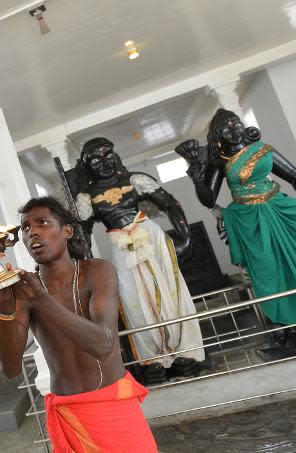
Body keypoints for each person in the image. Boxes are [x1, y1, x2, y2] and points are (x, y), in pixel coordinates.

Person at [0, 196, 157, 453]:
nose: (33, 232)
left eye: (42, 223)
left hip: (113, 406)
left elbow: (104, 345)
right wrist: (4, 308)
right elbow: (11, 368)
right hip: (71, 414)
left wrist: (41, 299)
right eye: (26, 228)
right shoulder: (24, 292)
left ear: (67, 231)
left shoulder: (98, 272)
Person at [176, 108, 296, 360]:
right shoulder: (220, 161)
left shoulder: (262, 149)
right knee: (269, 273)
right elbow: (208, 199)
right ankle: (290, 330)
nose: (233, 130)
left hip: (282, 211)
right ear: (217, 136)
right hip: (251, 223)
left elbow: (295, 176)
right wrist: (195, 174)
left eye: (236, 124)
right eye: (225, 128)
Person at [67, 137, 205, 383]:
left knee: (171, 294)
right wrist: (86, 265)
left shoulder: (134, 180)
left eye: (108, 155)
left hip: (152, 239)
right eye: (96, 159)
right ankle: (152, 360)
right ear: (87, 165)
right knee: (133, 303)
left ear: (115, 156)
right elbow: (83, 237)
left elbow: (170, 204)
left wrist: (185, 237)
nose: (104, 162)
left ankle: (185, 353)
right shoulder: (86, 197)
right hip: (121, 248)